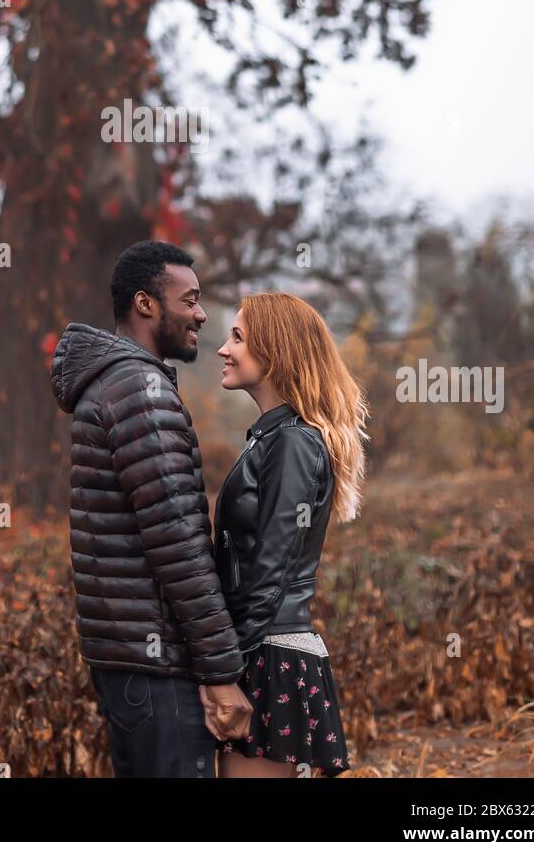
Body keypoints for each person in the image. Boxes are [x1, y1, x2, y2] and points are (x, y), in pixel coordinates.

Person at [50, 240, 252, 779]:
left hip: (131, 657)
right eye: (189, 300)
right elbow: (180, 548)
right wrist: (221, 672)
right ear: (145, 304)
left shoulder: (116, 384)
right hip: (156, 664)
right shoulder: (140, 391)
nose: (201, 314)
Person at [210, 291, 368, 778]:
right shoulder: (272, 438)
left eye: (237, 337)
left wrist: (227, 670)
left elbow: (273, 571)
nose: (223, 348)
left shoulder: (293, 444)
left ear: (273, 352)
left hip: (266, 655)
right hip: (258, 649)